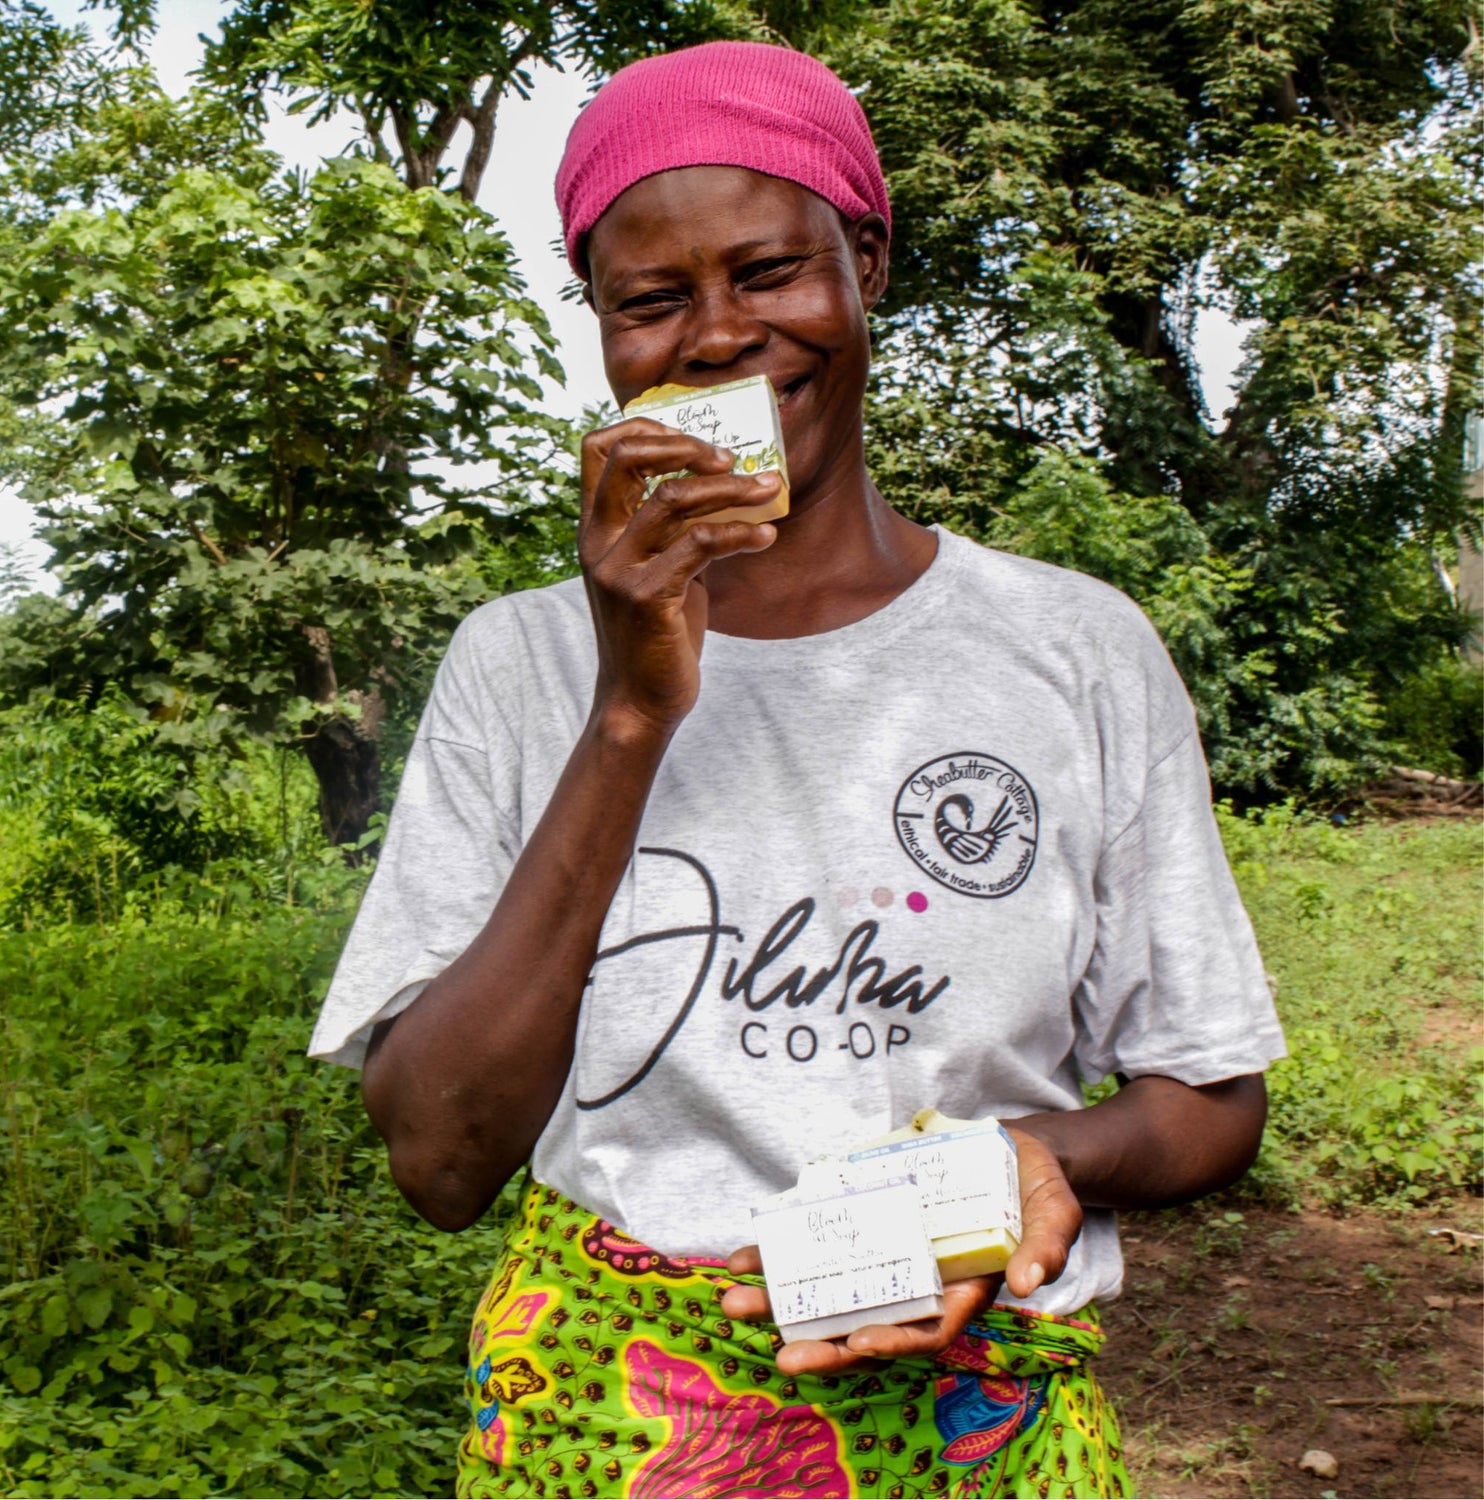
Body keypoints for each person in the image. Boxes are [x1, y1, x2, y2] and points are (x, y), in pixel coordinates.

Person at [308, 40, 1285, 1500]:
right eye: (651, 300)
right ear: (603, 333)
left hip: (979, 1432)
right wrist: (631, 712)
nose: (716, 338)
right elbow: (441, 1163)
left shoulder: (1072, 649)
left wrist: (1026, 1161)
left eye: (770, 272)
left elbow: (1209, 1092)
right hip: (607, 1424)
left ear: (865, 264)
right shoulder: (517, 668)